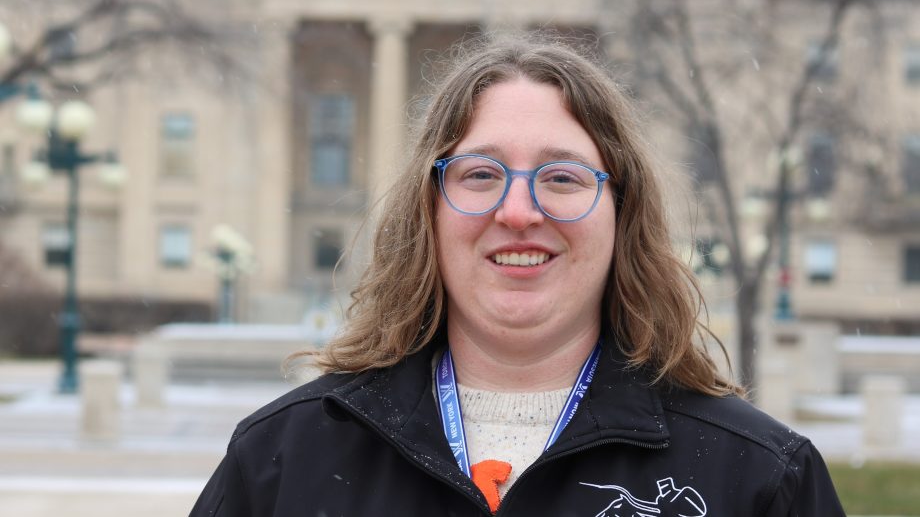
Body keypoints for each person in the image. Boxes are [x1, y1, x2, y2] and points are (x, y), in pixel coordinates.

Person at [190, 33, 845, 516]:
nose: (519, 211)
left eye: (562, 177)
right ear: (429, 212)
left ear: (623, 214)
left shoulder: (760, 477)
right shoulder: (282, 461)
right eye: (480, 174)